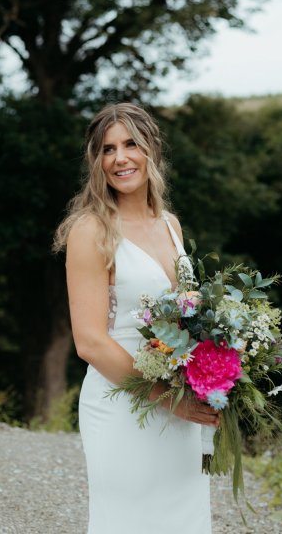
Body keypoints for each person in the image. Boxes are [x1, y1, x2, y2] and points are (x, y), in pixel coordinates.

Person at [53, 102, 218, 534]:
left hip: (180, 405)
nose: (120, 158)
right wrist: (169, 398)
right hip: (124, 404)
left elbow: (186, 318)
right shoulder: (91, 231)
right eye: (107, 149)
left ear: (152, 151)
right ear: (96, 161)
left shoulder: (170, 225)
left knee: (183, 521)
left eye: (130, 144)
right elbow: (89, 341)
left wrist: (211, 373)